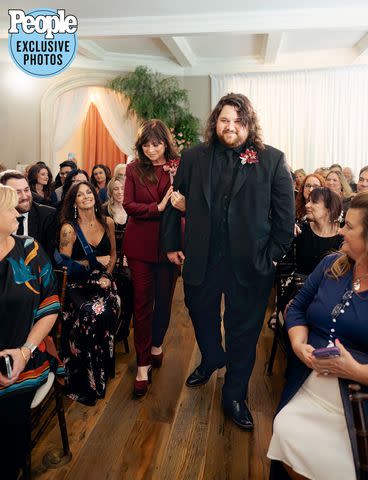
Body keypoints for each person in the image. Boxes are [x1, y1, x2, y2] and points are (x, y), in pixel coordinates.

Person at [162, 93, 295, 429]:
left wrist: (270, 258)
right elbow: (174, 200)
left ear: (249, 125)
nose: (230, 126)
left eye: (238, 121)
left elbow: (284, 220)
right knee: (200, 315)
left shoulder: (272, 161)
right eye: (224, 119)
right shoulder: (193, 158)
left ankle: (234, 394)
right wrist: (172, 244)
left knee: (243, 333)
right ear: (215, 122)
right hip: (202, 260)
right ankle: (211, 357)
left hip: (250, 266)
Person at [268, 191, 368, 480]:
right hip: (307, 380)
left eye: (349, 227)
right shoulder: (331, 266)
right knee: (286, 431)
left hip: (354, 400)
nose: (340, 231)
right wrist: (298, 344)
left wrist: (356, 370)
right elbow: (297, 308)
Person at [0, 184, 60, 479]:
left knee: (8, 419)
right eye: (9, 207)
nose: (17, 212)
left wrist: (24, 352)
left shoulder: (30, 250)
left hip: (24, 356)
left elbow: (49, 306)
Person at [123, 119, 180, 397]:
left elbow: (189, 205)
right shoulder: (134, 169)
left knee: (164, 302)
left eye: (156, 144)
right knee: (142, 304)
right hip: (139, 246)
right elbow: (128, 205)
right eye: (146, 144)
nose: (151, 149)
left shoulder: (178, 167)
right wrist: (156, 207)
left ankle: (157, 344)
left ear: (166, 143)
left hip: (169, 245)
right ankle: (142, 364)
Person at [58, 181, 119, 406]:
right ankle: (84, 380)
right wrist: (90, 263)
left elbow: (113, 255)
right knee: (89, 313)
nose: (86, 196)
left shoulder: (108, 222)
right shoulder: (69, 229)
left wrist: (107, 276)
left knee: (106, 309)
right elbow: (65, 266)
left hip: (104, 282)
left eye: (89, 192)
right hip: (78, 285)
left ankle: (101, 371)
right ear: (74, 201)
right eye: (80, 194)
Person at [104, 175, 133, 351]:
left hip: (131, 258)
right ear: (110, 192)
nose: (120, 192)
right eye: (116, 189)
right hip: (110, 257)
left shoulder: (134, 209)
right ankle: (108, 328)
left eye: (123, 188)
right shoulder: (104, 211)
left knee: (130, 283)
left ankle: (123, 328)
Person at [0, 170, 57, 260]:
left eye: (26, 190)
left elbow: (48, 257)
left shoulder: (48, 215)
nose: (24, 196)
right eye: (17, 192)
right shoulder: (2, 219)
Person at [295, 187, 342, 276]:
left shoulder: (342, 238)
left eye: (314, 202)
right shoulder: (301, 230)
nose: (307, 205)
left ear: (329, 209)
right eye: (308, 201)